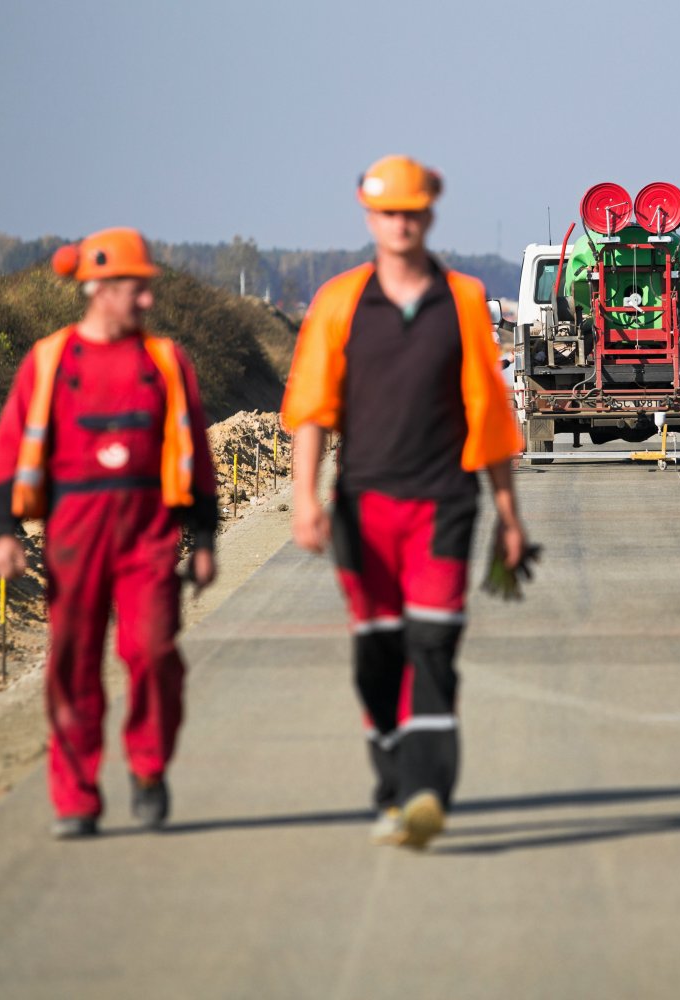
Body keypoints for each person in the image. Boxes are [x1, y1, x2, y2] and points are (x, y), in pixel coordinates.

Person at [282, 155, 527, 850]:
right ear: (369, 215)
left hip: (445, 504)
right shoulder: (339, 303)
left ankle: (426, 793)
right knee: (378, 658)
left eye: (412, 212)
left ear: (429, 214)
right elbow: (311, 412)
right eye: (389, 213)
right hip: (363, 510)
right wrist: (306, 499)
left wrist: (509, 515)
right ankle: (393, 781)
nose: (401, 223)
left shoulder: (465, 300)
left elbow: (490, 416)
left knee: (435, 644)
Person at [0, 227, 219, 839]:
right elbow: (9, 452)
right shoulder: (49, 361)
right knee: (72, 663)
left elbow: (197, 454)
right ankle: (77, 795)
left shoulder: (166, 362)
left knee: (154, 653)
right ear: (98, 287)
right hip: (72, 535)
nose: (146, 300)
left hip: (148, 535)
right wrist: (6, 532)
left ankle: (148, 770)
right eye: (134, 289)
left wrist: (207, 540)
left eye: (146, 289)